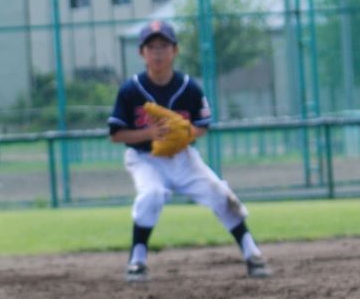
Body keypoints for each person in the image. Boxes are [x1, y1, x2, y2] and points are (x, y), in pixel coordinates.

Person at [108, 20, 270, 282]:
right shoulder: (130, 90)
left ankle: (252, 254)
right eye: (151, 47)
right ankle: (137, 260)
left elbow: (202, 125)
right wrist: (149, 134)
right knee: (152, 194)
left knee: (219, 193)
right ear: (142, 53)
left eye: (164, 46)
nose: (158, 52)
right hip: (145, 159)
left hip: (183, 158)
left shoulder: (189, 87)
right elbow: (116, 134)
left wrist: (183, 135)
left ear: (175, 51)